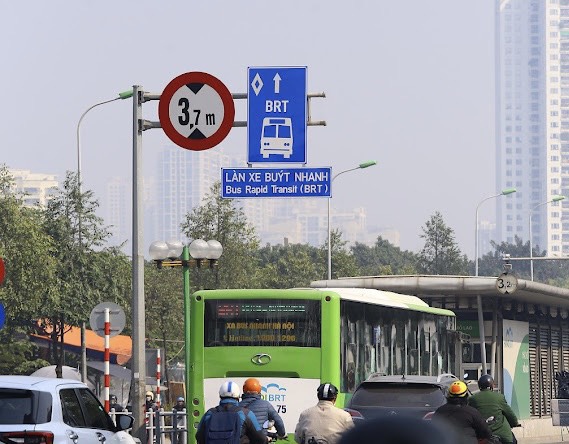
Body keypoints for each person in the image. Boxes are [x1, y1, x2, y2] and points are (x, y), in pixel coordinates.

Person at [195, 380, 267, 444]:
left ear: (220, 395)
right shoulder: (245, 414)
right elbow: (261, 438)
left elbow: (199, 436)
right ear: (238, 396)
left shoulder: (209, 413)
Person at [469, 375, 521, 444]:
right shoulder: (499, 397)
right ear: (491, 386)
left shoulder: (473, 399)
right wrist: (514, 423)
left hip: (481, 435)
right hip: (501, 434)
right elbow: (510, 414)